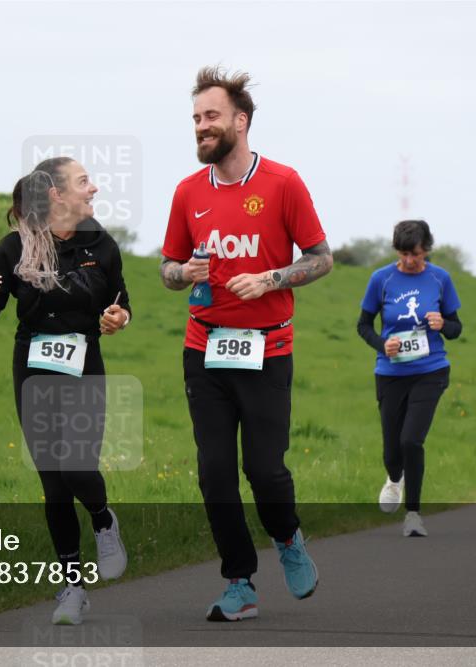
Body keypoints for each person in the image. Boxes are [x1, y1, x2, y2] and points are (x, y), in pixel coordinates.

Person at [159, 66, 333, 622]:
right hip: (204, 348)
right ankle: (239, 582)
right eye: (195, 118)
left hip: (266, 350)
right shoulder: (188, 192)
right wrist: (182, 273)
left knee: (264, 470)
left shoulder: (283, 183)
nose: (200, 126)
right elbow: (167, 267)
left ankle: (288, 539)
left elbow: (321, 258)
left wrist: (272, 279)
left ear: (241, 120)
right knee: (214, 472)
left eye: (210, 116)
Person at [0, 156, 131, 625]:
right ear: (56, 194)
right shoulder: (15, 246)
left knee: (77, 467)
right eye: (84, 182)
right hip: (33, 366)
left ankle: (102, 518)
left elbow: (121, 303)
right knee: (53, 483)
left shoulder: (101, 244)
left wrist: (118, 318)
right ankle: (72, 588)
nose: (93, 188)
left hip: (84, 363)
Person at [357, 219, 462, 537]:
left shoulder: (440, 279)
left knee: (411, 441)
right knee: (392, 452)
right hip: (391, 374)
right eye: (403, 254)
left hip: (430, 371)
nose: (409, 260)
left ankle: (413, 515)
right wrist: (382, 344)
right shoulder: (381, 279)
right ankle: (394, 479)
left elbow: (456, 329)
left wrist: (442, 324)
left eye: (415, 254)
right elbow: (363, 325)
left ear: (426, 249)